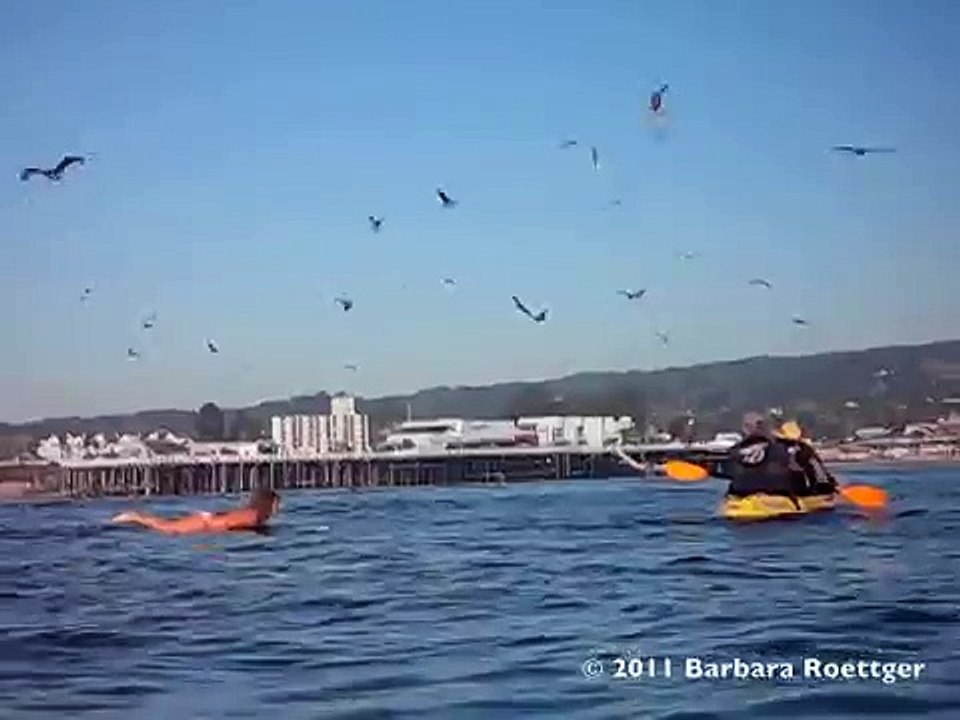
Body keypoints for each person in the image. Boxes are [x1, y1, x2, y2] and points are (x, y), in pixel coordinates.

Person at [111, 488, 280, 534]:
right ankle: (133, 516)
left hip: (206, 521)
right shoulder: (254, 516)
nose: (278, 508)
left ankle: (135, 517)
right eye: (276, 504)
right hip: (205, 524)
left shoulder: (253, 515)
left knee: (167, 526)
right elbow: (229, 523)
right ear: (267, 503)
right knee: (168, 528)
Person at [721, 413, 805, 504]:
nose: (756, 427)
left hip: (775, 496)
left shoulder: (786, 448)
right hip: (747, 497)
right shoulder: (736, 451)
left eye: (759, 424)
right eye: (749, 425)